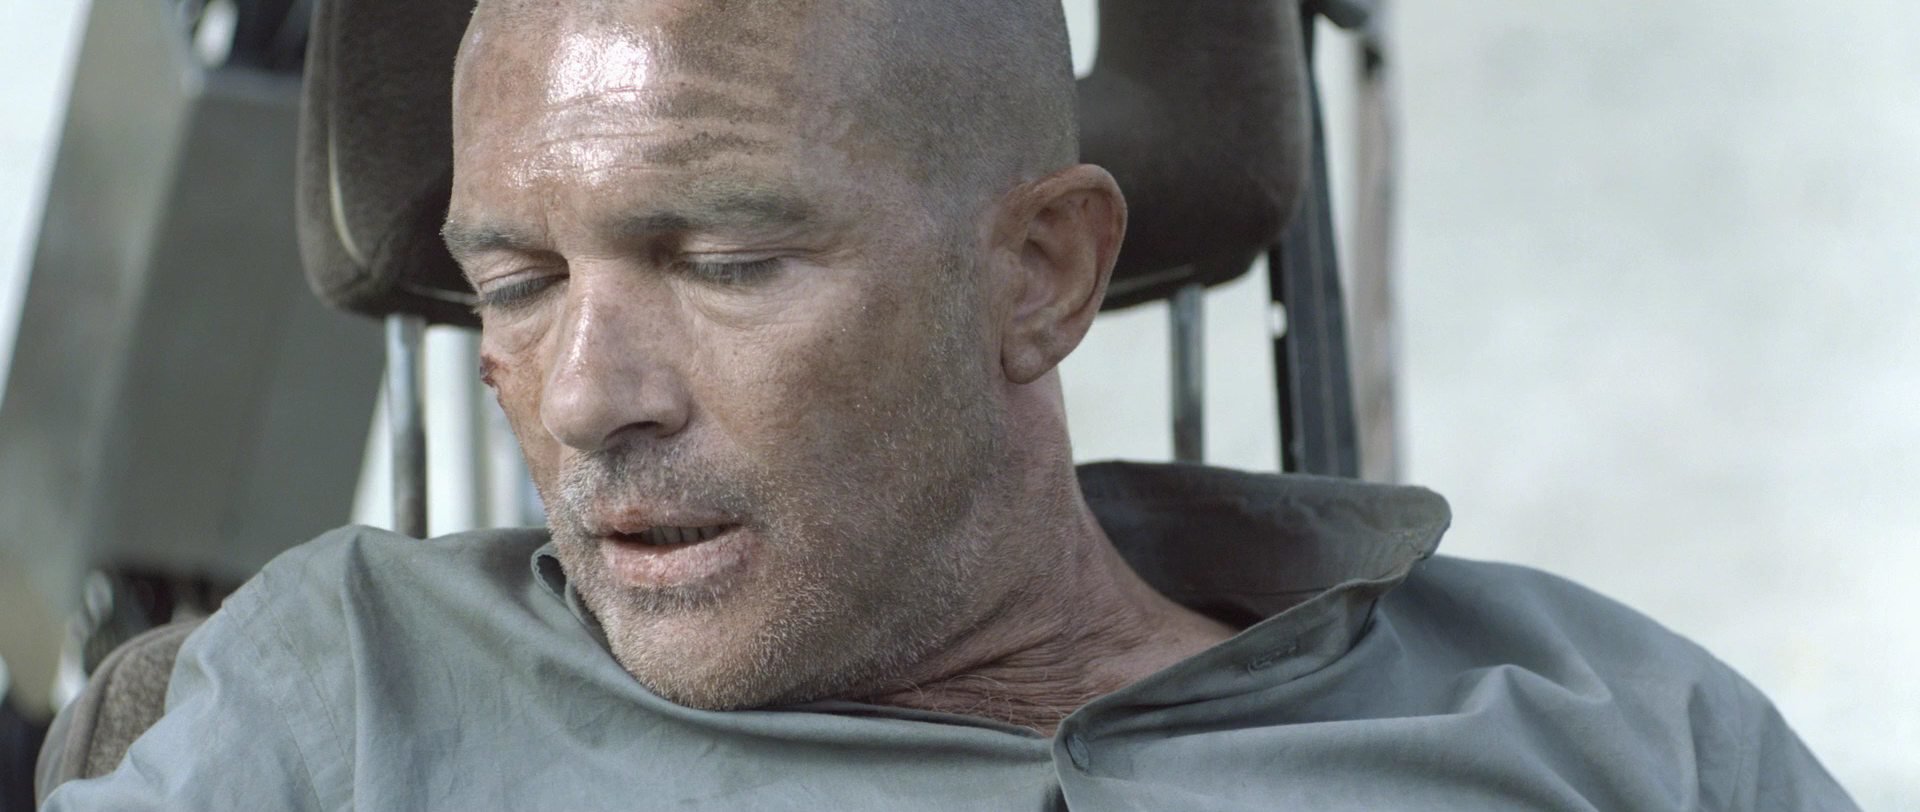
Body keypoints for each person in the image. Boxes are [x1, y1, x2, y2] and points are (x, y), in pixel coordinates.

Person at [45, 0, 1854, 808]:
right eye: (517, 283)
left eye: (725, 260)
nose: (588, 399)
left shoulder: (1611, 726)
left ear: (1040, 274)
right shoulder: (342, 703)